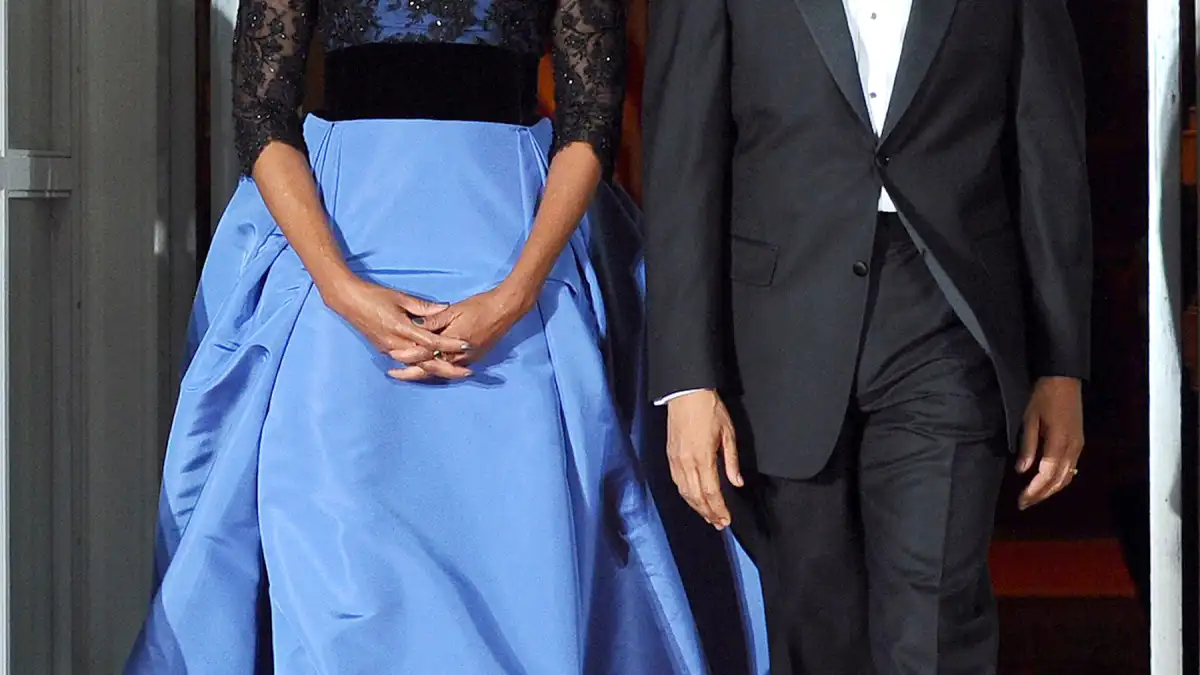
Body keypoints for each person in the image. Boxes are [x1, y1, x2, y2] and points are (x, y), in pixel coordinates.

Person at [124, 1, 716, 672]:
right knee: (339, 561)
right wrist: (340, 287)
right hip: (341, 251)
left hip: (514, 251)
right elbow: (261, 111)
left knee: (521, 553)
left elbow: (591, 121)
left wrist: (517, 292)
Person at [642, 1, 1092, 673]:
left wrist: (1061, 363)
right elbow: (682, 152)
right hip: (776, 335)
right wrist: (686, 376)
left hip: (945, 315)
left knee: (935, 618)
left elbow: (1048, 143)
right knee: (814, 625)